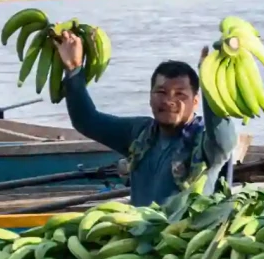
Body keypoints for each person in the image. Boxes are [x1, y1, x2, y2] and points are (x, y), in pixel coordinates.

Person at [54, 32, 237, 206]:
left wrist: (210, 82)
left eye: (180, 94)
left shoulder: (205, 144)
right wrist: (73, 68)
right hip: (140, 233)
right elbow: (87, 120)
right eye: (161, 92)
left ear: (196, 101)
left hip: (185, 236)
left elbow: (225, 137)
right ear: (150, 96)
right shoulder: (140, 134)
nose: (169, 101)